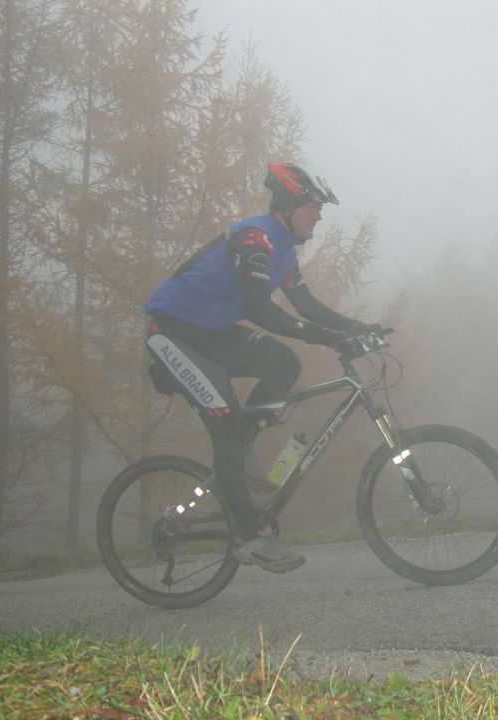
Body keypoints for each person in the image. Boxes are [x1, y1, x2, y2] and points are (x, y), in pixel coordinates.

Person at [144, 163, 379, 573]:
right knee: (226, 422)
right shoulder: (256, 239)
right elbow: (258, 308)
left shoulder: (284, 249)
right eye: (314, 208)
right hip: (174, 332)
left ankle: (242, 444)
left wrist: (360, 329)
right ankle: (252, 538)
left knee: (282, 362)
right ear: (288, 206)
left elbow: (306, 306)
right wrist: (326, 337)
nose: (319, 217)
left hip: (210, 333)